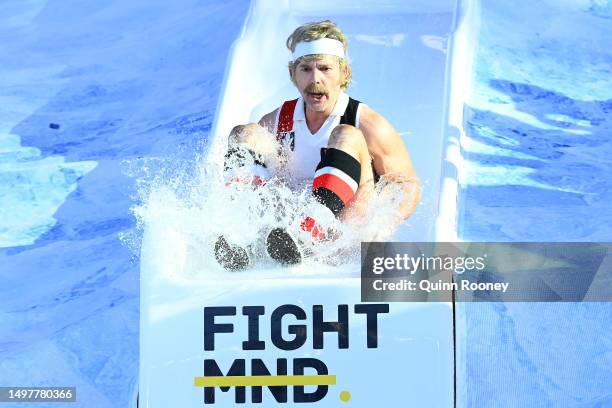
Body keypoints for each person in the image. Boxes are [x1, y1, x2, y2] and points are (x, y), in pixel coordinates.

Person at [219, 20, 420, 268]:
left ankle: (314, 227)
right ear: (293, 74)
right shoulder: (276, 121)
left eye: (325, 69)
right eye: (305, 69)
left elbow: (407, 184)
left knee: (346, 135)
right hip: (284, 238)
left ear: (343, 72)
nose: (315, 79)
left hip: (343, 237)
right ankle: (240, 232)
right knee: (245, 134)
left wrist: (381, 227)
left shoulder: (368, 124)